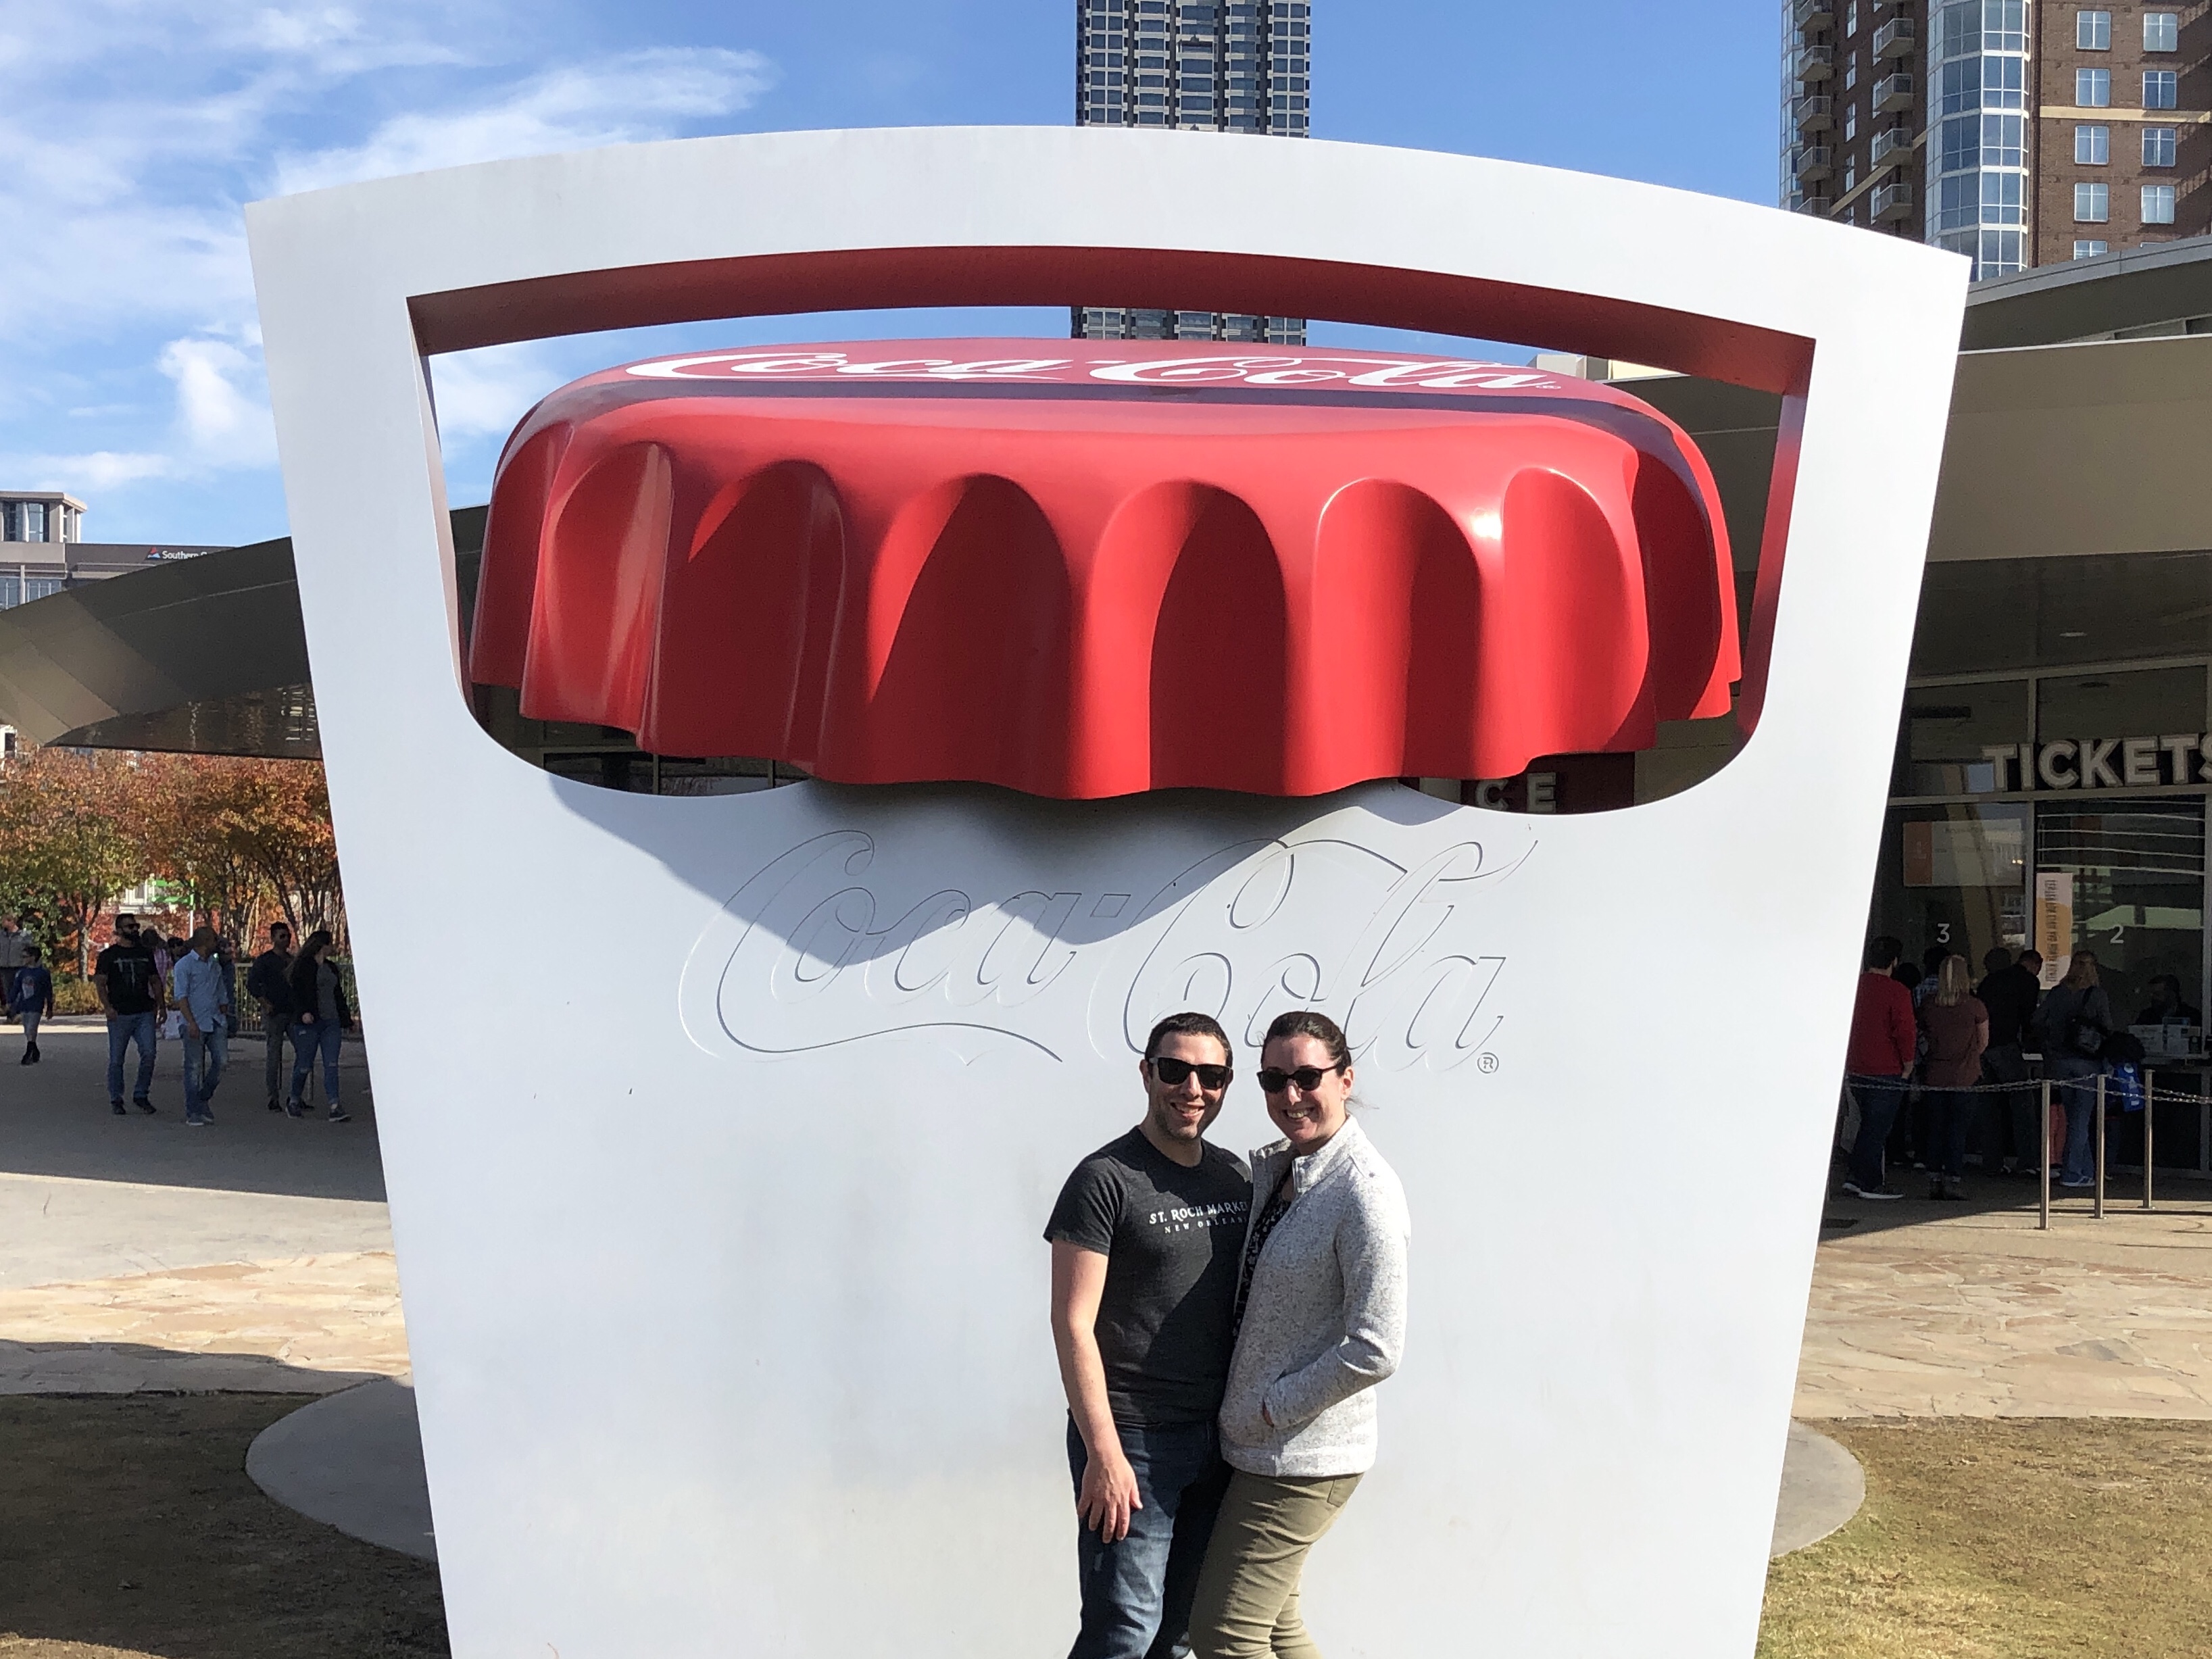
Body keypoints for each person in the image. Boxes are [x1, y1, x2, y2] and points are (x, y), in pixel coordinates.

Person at [1186, 1010, 1409, 1659]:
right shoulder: (1284, 1169)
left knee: (1225, 1636)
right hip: (1264, 1446)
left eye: (1307, 1077)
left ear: (1344, 1078)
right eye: (1272, 1079)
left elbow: (1377, 1344)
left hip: (1302, 1456)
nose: (1289, 1096)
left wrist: (1272, 1406)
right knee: (1277, 1626)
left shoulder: (1362, 1189)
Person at [1046, 1012, 1252, 1659]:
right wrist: (1103, 1453)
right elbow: (1072, 1321)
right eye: (1175, 1069)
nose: (1192, 1087)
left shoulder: (1234, 1177)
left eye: (1210, 1074)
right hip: (1132, 1440)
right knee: (1122, 1632)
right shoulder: (1103, 1179)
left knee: (1180, 1636)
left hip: (1217, 1443)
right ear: (1147, 1072)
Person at [2032, 951, 2114, 1191]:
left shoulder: (2058, 993)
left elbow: (2038, 1019)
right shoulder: (2097, 995)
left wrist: (2051, 1042)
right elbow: (2108, 1027)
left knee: (2075, 1118)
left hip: (2059, 1062)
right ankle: (2071, 1172)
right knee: (2081, 1120)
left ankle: (2086, 1171)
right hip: (2087, 1062)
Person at [1844, 937, 1917, 1201]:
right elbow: (1905, 1032)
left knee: (1866, 1125)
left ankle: (1855, 1177)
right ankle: (1870, 1182)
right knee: (1877, 1130)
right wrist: (1908, 1066)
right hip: (1886, 1068)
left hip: (1855, 1065)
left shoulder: (1852, 987)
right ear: (1894, 962)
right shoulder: (1897, 992)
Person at [1918, 955, 1989, 1201]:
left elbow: (1923, 1036)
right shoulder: (1975, 1006)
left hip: (1935, 1075)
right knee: (1957, 1131)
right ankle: (1953, 1180)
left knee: (1935, 1129)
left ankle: (1934, 1179)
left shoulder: (1928, 1004)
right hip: (1965, 1076)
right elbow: (1983, 1042)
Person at [1975, 947, 2042, 1174]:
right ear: (2036, 965)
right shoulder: (2028, 982)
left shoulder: (1989, 981)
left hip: (1983, 1047)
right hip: (2006, 1045)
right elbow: (2029, 1018)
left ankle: (1992, 1161)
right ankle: (2027, 1161)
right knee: (2022, 1103)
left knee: (1989, 1106)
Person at [94, 914, 164, 1114]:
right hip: (120, 1013)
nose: (135, 930)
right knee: (117, 1058)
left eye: (136, 926)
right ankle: (116, 1098)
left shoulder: (145, 953)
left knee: (149, 1053)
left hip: (144, 1011)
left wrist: (162, 1006)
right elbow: (100, 983)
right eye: (130, 927)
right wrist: (107, 1007)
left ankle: (141, 1094)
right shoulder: (109, 956)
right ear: (119, 930)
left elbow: (155, 980)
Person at [285, 930, 354, 1122]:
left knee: (331, 1063)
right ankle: (294, 1099)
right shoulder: (304, 966)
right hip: (310, 1021)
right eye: (330, 944)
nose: (333, 948)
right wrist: (304, 1012)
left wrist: (345, 1019)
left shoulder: (331, 968)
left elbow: (338, 994)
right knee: (305, 1064)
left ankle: (334, 1104)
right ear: (323, 945)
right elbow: (298, 992)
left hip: (330, 1021)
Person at [170, 926, 234, 1127]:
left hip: (215, 1020)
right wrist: (190, 1022)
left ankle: (203, 1097)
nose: (218, 943)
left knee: (222, 1061)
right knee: (194, 1067)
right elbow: (181, 996)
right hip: (194, 1021)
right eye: (214, 939)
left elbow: (220, 988)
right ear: (205, 941)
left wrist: (224, 1007)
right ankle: (193, 1110)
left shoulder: (214, 965)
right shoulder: (184, 965)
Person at [246, 921, 297, 1111]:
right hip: (274, 1012)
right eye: (282, 936)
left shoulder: (291, 961)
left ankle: (295, 1094)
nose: (285, 940)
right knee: (274, 1054)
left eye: (287, 936)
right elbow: (252, 984)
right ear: (273, 938)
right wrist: (264, 1003)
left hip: (291, 1012)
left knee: (303, 1051)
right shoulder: (265, 961)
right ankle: (273, 1096)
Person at [11, 943, 55, 1064]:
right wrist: (10, 1002)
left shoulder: (43, 973)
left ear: (33, 957)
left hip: (36, 1005)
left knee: (32, 1029)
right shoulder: (22, 973)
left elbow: (48, 990)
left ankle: (28, 1054)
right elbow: (16, 988)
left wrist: (50, 1007)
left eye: (25, 956)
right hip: (24, 1005)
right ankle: (35, 1051)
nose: (23, 959)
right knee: (27, 1031)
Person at [2134, 974, 2201, 1031]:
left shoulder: (2191, 1016)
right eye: (2151, 994)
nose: (2153, 998)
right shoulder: (2146, 1016)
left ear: (2172, 995)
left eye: (2158, 994)